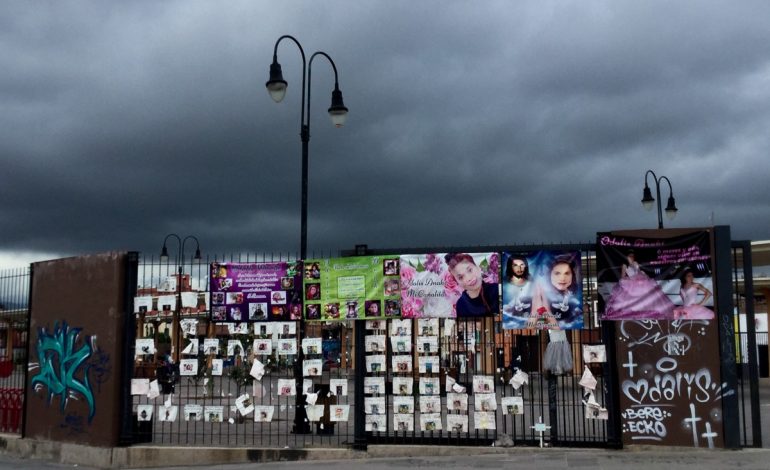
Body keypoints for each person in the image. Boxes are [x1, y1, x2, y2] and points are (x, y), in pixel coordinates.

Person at [603, 251, 676, 320]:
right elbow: (622, 276)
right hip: (631, 284)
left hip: (640, 282)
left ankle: (646, 312)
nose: (631, 257)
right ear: (626, 257)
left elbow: (638, 272)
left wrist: (640, 275)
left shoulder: (635, 263)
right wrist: (630, 279)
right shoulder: (624, 265)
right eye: (630, 256)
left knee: (648, 295)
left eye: (632, 256)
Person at [444, 253, 499, 317]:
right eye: (461, 277)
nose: (469, 278)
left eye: (470, 270)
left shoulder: (496, 290)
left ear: (477, 267)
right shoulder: (461, 304)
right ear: (457, 282)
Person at [502, 255, 534, 328]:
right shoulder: (505, 282)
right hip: (511, 320)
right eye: (515, 265)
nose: (519, 268)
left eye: (522, 265)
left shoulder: (531, 280)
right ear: (510, 267)